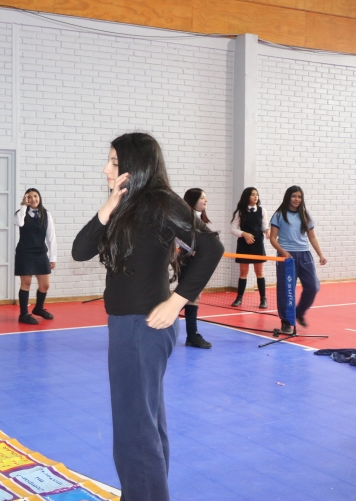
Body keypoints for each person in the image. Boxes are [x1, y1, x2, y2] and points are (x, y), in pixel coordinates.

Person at [72, 133, 224, 501]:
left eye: (113, 162)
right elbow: (80, 250)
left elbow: (211, 247)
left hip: (143, 326)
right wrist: (109, 204)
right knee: (145, 424)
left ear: (134, 166)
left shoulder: (161, 202)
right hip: (127, 324)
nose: (106, 169)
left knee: (134, 431)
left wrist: (178, 301)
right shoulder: (128, 204)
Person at [269, 185, 327, 333]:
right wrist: (282, 251)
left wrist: (320, 254)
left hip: (304, 255)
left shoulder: (305, 215)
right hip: (287, 257)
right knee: (286, 290)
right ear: (288, 197)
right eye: (294, 196)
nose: (296, 199)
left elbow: (312, 237)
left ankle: (299, 312)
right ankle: (286, 321)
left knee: (313, 287)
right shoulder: (279, 215)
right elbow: (273, 238)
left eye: (299, 197)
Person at [14, 188, 57, 324]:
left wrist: (53, 257)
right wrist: (24, 206)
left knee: (45, 285)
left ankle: (38, 308)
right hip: (25, 254)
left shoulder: (46, 214)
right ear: (26, 199)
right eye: (30, 197)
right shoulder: (20, 214)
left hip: (40, 254)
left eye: (35, 196)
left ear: (39, 197)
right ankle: (23, 314)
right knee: (26, 283)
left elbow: (51, 237)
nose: (33, 199)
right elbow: (20, 223)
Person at [181, 188, 213, 349]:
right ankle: (191, 335)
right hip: (187, 261)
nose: (205, 201)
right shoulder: (186, 218)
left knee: (193, 297)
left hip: (199, 262)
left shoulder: (200, 218)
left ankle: (191, 335)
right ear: (193, 200)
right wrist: (191, 249)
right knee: (188, 297)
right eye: (202, 198)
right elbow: (178, 237)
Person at [230, 187, 270, 309]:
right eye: (253, 194)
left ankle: (263, 299)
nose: (255, 197)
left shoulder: (262, 210)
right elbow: (233, 229)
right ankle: (239, 297)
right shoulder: (240, 212)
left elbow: (264, 226)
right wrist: (244, 234)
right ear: (247, 197)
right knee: (243, 273)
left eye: (256, 194)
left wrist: (267, 231)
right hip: (243, 245)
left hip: (257, 244)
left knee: (259, 273)